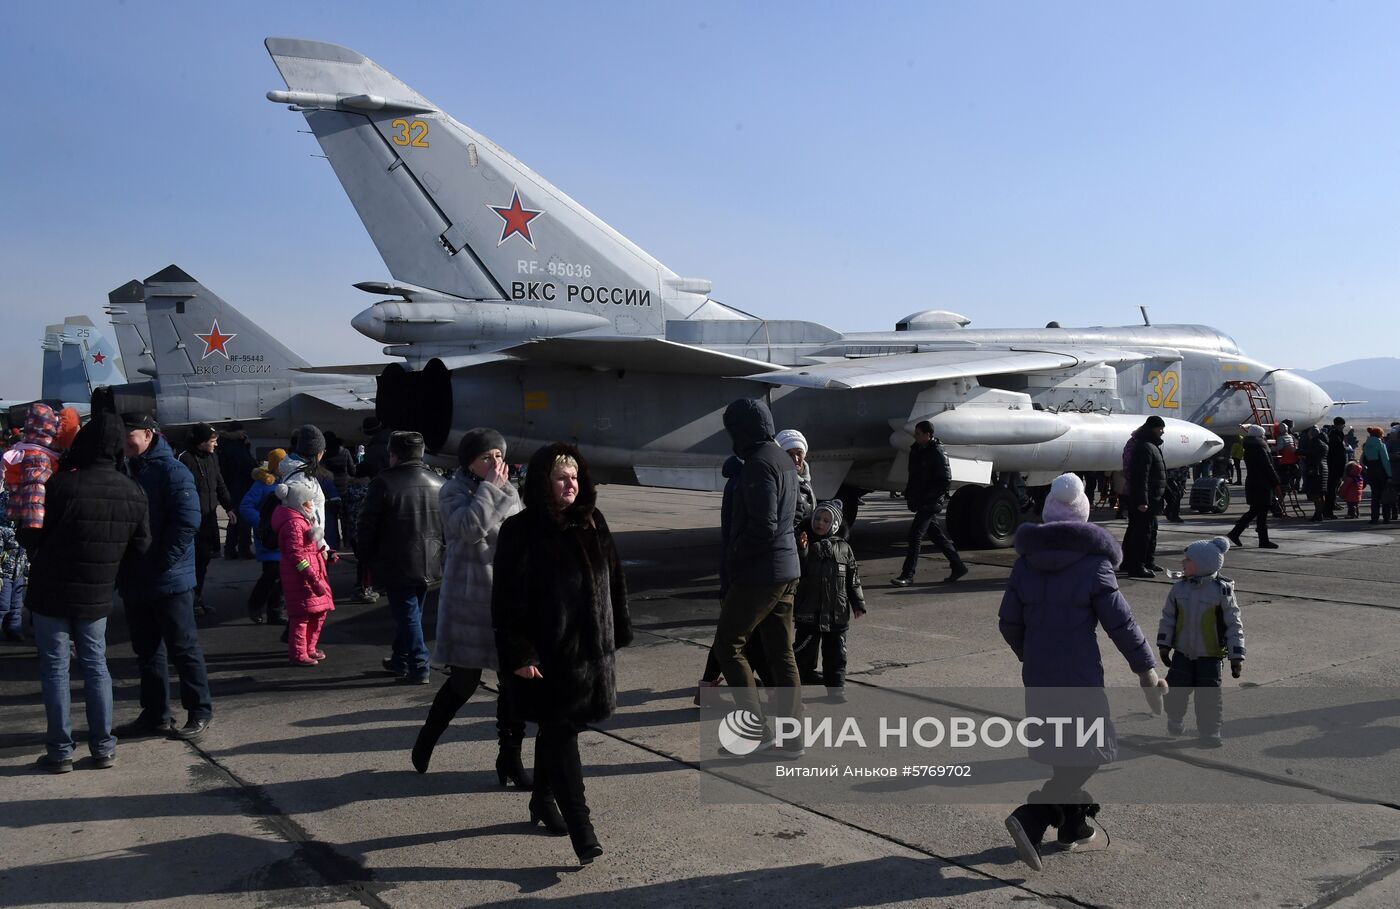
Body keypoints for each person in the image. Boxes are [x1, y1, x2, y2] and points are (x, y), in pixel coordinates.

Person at [998, 472, 1164, 872]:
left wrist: (1030, 653)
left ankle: (1073, 826)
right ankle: (1033, 815)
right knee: (1091, 751)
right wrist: (1147, 670)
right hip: (1078, 674)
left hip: (1038, 672)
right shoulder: (1093, 566)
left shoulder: (1025, 564)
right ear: (1084, 517)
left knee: (1062, 749)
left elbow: (1007, 621)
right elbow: (1121, 624)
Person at [492, 442, 632, 865]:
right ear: (542, 482)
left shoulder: (592, 521)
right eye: (560, 477)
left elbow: (616, 581)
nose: (570, 484)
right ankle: (582, 827)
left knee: (559, 731)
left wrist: (617, 633)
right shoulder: (520, 531)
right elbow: (506, 601)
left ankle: (541, 799)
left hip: (591, 658)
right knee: (560, 732)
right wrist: (519, 651)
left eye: (574, 476)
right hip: (546, 658)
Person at [24, 412, 151, 772]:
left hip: (51, 592)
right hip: (97, 594)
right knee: (96, 668)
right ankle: (102, 747)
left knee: (55, 670)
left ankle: (60, 751)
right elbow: (140, 547)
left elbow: (33, 533)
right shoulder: (134, 492)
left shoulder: (63, 485)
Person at [412, 428, 532, 794]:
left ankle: (509, 757)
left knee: (514, 684)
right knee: (463, 683)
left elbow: (516, 536)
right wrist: (491, 491)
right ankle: (428, 737)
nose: (496, 463)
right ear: (469, 463)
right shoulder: (452, 492)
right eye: (486, 457)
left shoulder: (510, 490)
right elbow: (468, 528)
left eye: (499, 455)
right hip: (468, 603)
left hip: (504, 600)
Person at [710, 398, 804, 751]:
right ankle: (793, 736)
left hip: (761, 572)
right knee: (781, 651)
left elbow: (761, 527)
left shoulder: (758, 465)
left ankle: (754, 732)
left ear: (742, 430)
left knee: (727, 646)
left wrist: (734, 559)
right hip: (787, 568)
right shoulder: (782, 459)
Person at [114, 412, 214, 741]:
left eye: (129, 434)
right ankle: (155, 713)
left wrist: (160, 563)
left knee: (182, 647)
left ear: (148, 434)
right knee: (147, 651)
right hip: (136, 577)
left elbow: (187, 522)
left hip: (168, 579)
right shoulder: (126, 467)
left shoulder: (172, 471)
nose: (123, 440)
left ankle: (199, 711)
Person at [357, 431, 446, 685]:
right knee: (412, 613)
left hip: (396, 560)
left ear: (393, 454)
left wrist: (365, 556)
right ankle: (400, 658)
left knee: (408, 614)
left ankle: (419, 664)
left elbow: (367, 524)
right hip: (430, 559)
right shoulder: (438, 482)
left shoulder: (383, 482)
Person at [695, 455, 771, 702]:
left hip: (737, 569)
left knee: (730, 634)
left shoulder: (740, 480)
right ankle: (775, 692)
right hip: (747, 571)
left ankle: (707, 688)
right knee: (750, 636)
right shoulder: (747, 484)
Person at [1157, 536, 1244, 747]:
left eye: (1187, 560)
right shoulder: (1179, 588)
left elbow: (1233, 623)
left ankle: (1210, 731)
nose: (1182, 563)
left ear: (1203, 564)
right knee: (1174, 692)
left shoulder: (1221, 591)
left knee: (1209, 698)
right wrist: (1164, 644)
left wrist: (1236, 655)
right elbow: (1168, 617)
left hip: (1210, 656)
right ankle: (1175, 719)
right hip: (1182, 653)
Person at [793, 500, 865, 702]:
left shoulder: (844, 548)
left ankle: (835, 690)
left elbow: (853, 578)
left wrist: (858, 603)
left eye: (826, 520)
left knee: (836, 654)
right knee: (802, 651)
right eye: (817, 518)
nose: (820, 523)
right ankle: (795, 684)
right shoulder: (806, 544)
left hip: (836, 613)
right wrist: (802, 550)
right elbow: (798, 570)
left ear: (834, 525)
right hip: (809, 612)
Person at [890, 420, 967, 587]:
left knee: (915, 536)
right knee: (937, 536)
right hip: (921, 500)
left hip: (931, 502)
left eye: (918, 434)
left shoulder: (937, 452)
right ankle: (959, 566)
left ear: (928, 434)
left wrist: (928, 498)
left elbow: (945, 480)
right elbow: (914, 476)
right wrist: (910, 495)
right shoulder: (917, 450)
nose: (915, 437)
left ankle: (908, 575)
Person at [273, 480, 335, 666]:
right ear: (299, 503)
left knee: (318, 612)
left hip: (312, 573)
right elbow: (296, 556)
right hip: (302, 577)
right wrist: (311, 576)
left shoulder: (303, 520)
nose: (312, 504)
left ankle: (309, 648)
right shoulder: (294, 523)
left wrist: (326, 556)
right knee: (301, 616)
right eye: (308, 501)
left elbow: (307, 550)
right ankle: (299, 653)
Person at [179, 423, 234, 618]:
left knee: (203, 561)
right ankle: (189, 601)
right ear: (201, 442)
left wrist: (229, 507)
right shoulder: (185, 459)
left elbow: (219, 483)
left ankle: (197, 598)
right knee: (193, 562)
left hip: (209, 518)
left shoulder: (212, 458)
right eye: (212, 441)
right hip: (193, 520)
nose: (216, 444)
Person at [239, 450, 288, 626]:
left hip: (285, 536)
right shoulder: (262, 484)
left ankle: (275, 612)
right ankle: (255, 604)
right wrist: (263, 522)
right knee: (271, 574)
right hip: (268, 537)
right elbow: (245, 506)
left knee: (283, 575)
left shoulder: (289, 481)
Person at [1120, 416, 1167, 578]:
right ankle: (1136, 565)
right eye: (1160, 428)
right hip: (1145, 499)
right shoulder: (1144, 447)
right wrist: (1142, 500)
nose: (1162, 431)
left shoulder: (1149, 445)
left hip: (1151, 497)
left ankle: (1146, 561)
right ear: (1152, 429)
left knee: (1148, 530)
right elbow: (1141, 476)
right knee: (1141, 532)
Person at [1228, 424, 1281, 550]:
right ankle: (1237, 533)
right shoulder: (1259, 448)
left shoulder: (1250, 447)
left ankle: (1261, 540)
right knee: (1258, 511)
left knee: (1259, 511)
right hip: (1262, 484)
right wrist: (1276, 481)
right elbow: (1267, 466)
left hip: (1254, 482)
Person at [218, 422, 256, 559]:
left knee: (234, 518)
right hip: (240, 485)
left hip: (232, 485)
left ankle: (230, 548)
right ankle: (243, 548)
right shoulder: (235, 447)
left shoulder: (225, 444)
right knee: (243, 518)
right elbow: (248, 464)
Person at [0, 486, 29, 643]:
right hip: (4, 569)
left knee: (16, 602)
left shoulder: (23, 527)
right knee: (3, 603)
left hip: (19, 568)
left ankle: (14, 628)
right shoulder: (4, 529)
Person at [775, 429, 815, 531]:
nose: (796, 459)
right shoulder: (778, 482)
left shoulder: (805, 480)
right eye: (790, 454)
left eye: (799, 453)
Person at [1359, 427, 1392, 524]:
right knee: (1385, 496)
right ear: (1379, 434)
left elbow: (1362, 460)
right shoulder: (1381, 445)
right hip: (1381, 472)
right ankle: (1386, 517)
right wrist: (1389, 475)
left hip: (1371, 472)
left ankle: (1374, 518)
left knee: (1375, 496)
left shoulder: (1366, 445)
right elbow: (1386, 461)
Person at [1300, 427, 1330, 522]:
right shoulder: (1324, 443)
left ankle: (1318, 514)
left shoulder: (1315, 443)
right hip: (1324, 469)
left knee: (1316, 494)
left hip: (1317, 470)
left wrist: (1297, 452)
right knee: (1320, 494)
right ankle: (1319, 513)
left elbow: (1312, 455)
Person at [1324, 418, 1348, 518]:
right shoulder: (1335, 436)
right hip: (1335, 468)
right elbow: (1338, 454)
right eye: (1343, 425)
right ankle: (1328, 512)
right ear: (1340, 425)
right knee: (1331, 490)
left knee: (1331, 490)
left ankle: (1328, 510)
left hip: (1333, 467)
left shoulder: (1332, 434)